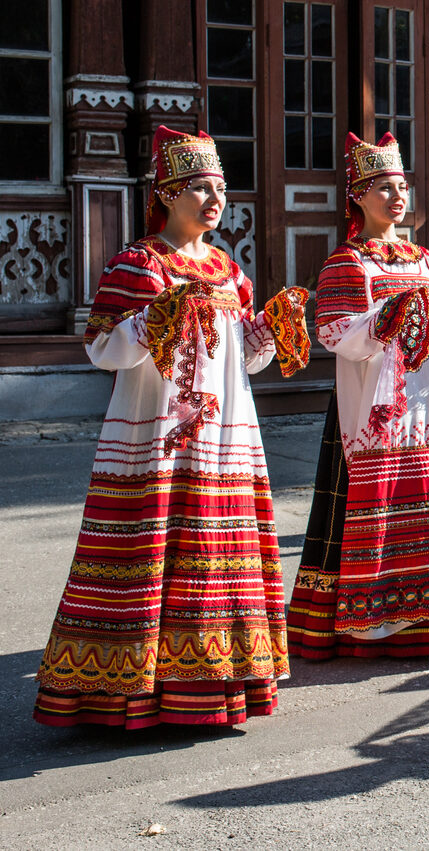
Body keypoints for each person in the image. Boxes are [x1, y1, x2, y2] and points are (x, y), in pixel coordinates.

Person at [35, 126, 309, 727]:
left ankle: (219, 682)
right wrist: (156, 315)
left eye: (220, 189)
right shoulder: (139, 263)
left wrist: (271, 326)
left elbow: (244, 358)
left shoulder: (226, 268)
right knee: (148, 549)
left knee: (215, 550)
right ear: (169, 190)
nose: (215, 199)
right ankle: (127, 690)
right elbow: (102, 348)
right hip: (155, 434)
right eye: (200, 188)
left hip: (224, 437)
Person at [287, 132, 429, 660]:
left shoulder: (424, 260)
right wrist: (382, 320)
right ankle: (377, 623)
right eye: (383, 187)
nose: (396, 196)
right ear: (359, 196)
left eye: (402, 186)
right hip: (377, 411)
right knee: (379, 499)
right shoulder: (348, 263)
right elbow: (335, 331)